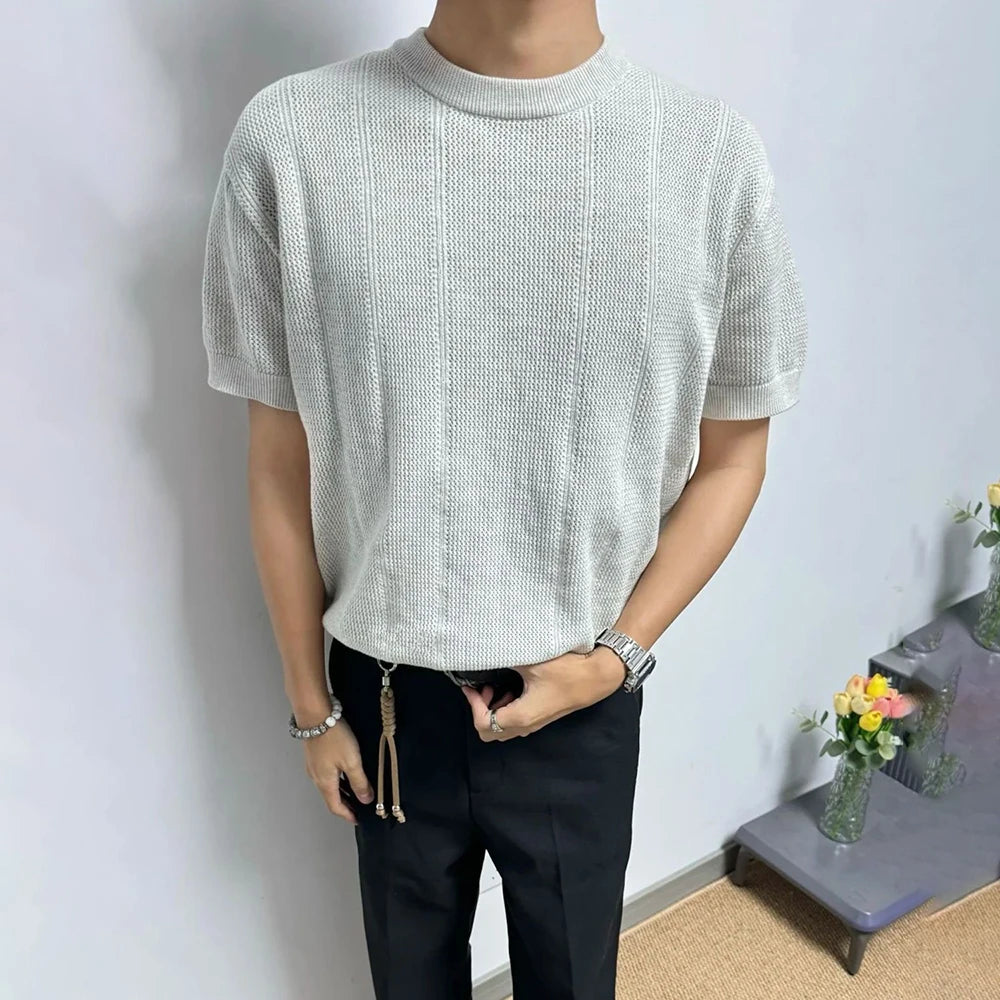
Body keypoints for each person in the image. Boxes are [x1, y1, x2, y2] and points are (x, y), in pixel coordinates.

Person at [200, 3, 808, 998]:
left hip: (583, 691)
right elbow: (279, 457)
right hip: (384, 698)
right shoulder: (294, 137)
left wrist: (613, 660)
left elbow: (735, 454)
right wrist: (313, 710)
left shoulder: (708, 157)